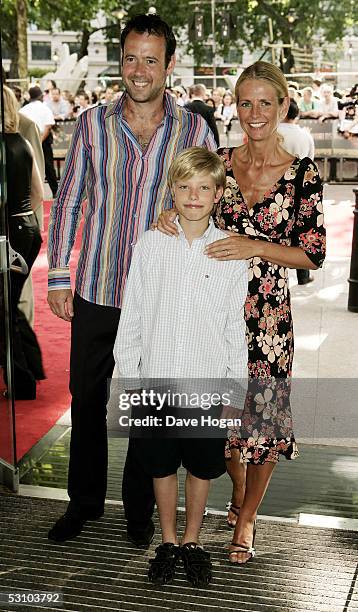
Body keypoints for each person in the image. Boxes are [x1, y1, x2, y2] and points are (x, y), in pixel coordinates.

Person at [46, 13, 216, 544]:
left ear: (169, 65)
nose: (139, 70)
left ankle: (139, 511)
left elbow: (210, 195)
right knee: (87, 395)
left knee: (149, 404)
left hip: (161, 295)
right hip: (98, 284)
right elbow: (71, 199)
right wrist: (57, 275)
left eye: (151, 59)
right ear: (121, 61)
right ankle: (84, 504)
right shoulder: (93, 124)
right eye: (131, 58)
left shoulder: (194, 129)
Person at [156, 61, 326, 564]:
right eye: (245, 102)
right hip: (216, 305)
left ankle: (248, 516)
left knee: (265, 420)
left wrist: (255, 244)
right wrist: (170, 215)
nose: (254, 113)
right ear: (235, 105)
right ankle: (237, 489)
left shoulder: (302, 174)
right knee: (227, 421)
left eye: (265, 103)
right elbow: (191, 202)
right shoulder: (220, 163)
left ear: (283, 107)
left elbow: (312, 253)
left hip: (269, 314)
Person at [114, 147, 248, 585]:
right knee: (160, 465)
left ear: (218, 194)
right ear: (171, 190)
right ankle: (168, 541)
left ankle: (193, 541)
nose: (193, 196)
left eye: (204, 188)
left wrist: (235, 391)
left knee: (201, 467)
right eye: (184, 187)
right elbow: (132, 315)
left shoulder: (229, 254)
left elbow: (233, 327)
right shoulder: (150, 245)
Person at [2, 85, 45, 399]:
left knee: (4, 309)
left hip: (8, 234)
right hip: (27, 228)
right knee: (10, 305)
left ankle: (23, 380)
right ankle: (30, 368)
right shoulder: (21, 142)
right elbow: (38, 192)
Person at [278, 99, 315, 285]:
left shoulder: (272, 132)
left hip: (275, 186)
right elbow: (311, 162)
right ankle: (303, 275)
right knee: (300, 230)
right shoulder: (304, 135)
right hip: (300, 187)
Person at [19, 86, 58, 198]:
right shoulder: (45, 108)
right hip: (42, 140)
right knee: (48, 167)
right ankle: (55, 191)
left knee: (28, 167)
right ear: (40, 96)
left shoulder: (24, 109)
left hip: (27, 139)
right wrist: (39, 141)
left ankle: (26, 193)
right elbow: (48, 126)